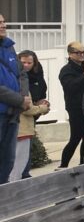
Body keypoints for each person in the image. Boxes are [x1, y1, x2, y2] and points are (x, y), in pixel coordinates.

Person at [0, 16, 31, 184]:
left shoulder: (9, 47)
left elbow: (22, 74)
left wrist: (24, 97)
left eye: (3, 22)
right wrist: (19, 100)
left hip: (12, 115)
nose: (3, 25)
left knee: (8, 160)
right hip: (3, 111)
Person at [13, 50, 49, 179]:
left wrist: (40, 102)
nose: (26, 65)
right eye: (23, 62)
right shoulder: (17, 81)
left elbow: (41, 92)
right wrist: (41, 108)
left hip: (29, 122)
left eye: (29, 62)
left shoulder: (37, 76)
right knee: (17, 163)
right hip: (20, 125)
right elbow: (26, 107)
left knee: (23, 157)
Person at [58, 40, 84, 169]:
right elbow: (70, 87)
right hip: (75, 108)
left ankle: (83, 164)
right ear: (70, 54)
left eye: (83, 52)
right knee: (76, 137)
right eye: (78, 52)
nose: (81, 55)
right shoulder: (66, 70)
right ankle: (63, 165)